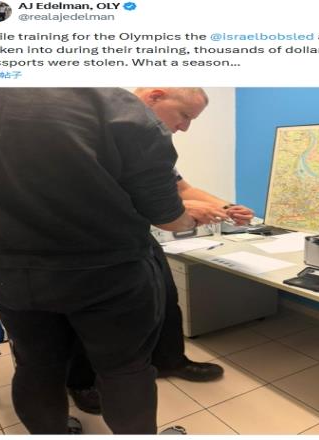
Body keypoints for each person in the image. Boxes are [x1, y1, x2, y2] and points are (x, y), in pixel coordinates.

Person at [0, 88, 205, 434]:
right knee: (124, 370)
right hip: (107, 273)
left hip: (9, 271)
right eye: (185, 116)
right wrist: (191, 219)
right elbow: (167, 217)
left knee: (36, 365)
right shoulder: (117, 108)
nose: (186, 126)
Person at [66, 88, 255, 415]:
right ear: (155, 96)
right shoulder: (92, 128)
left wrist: (226, 207)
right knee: (87, 317)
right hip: (88, 243)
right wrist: (184, 211)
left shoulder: (150, 143)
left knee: (165, 297)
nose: (185, 128)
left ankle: (170, 360)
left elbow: (181, 188)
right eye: (184, 115)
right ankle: (82, 381)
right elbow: (103, 195)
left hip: (138, 236)